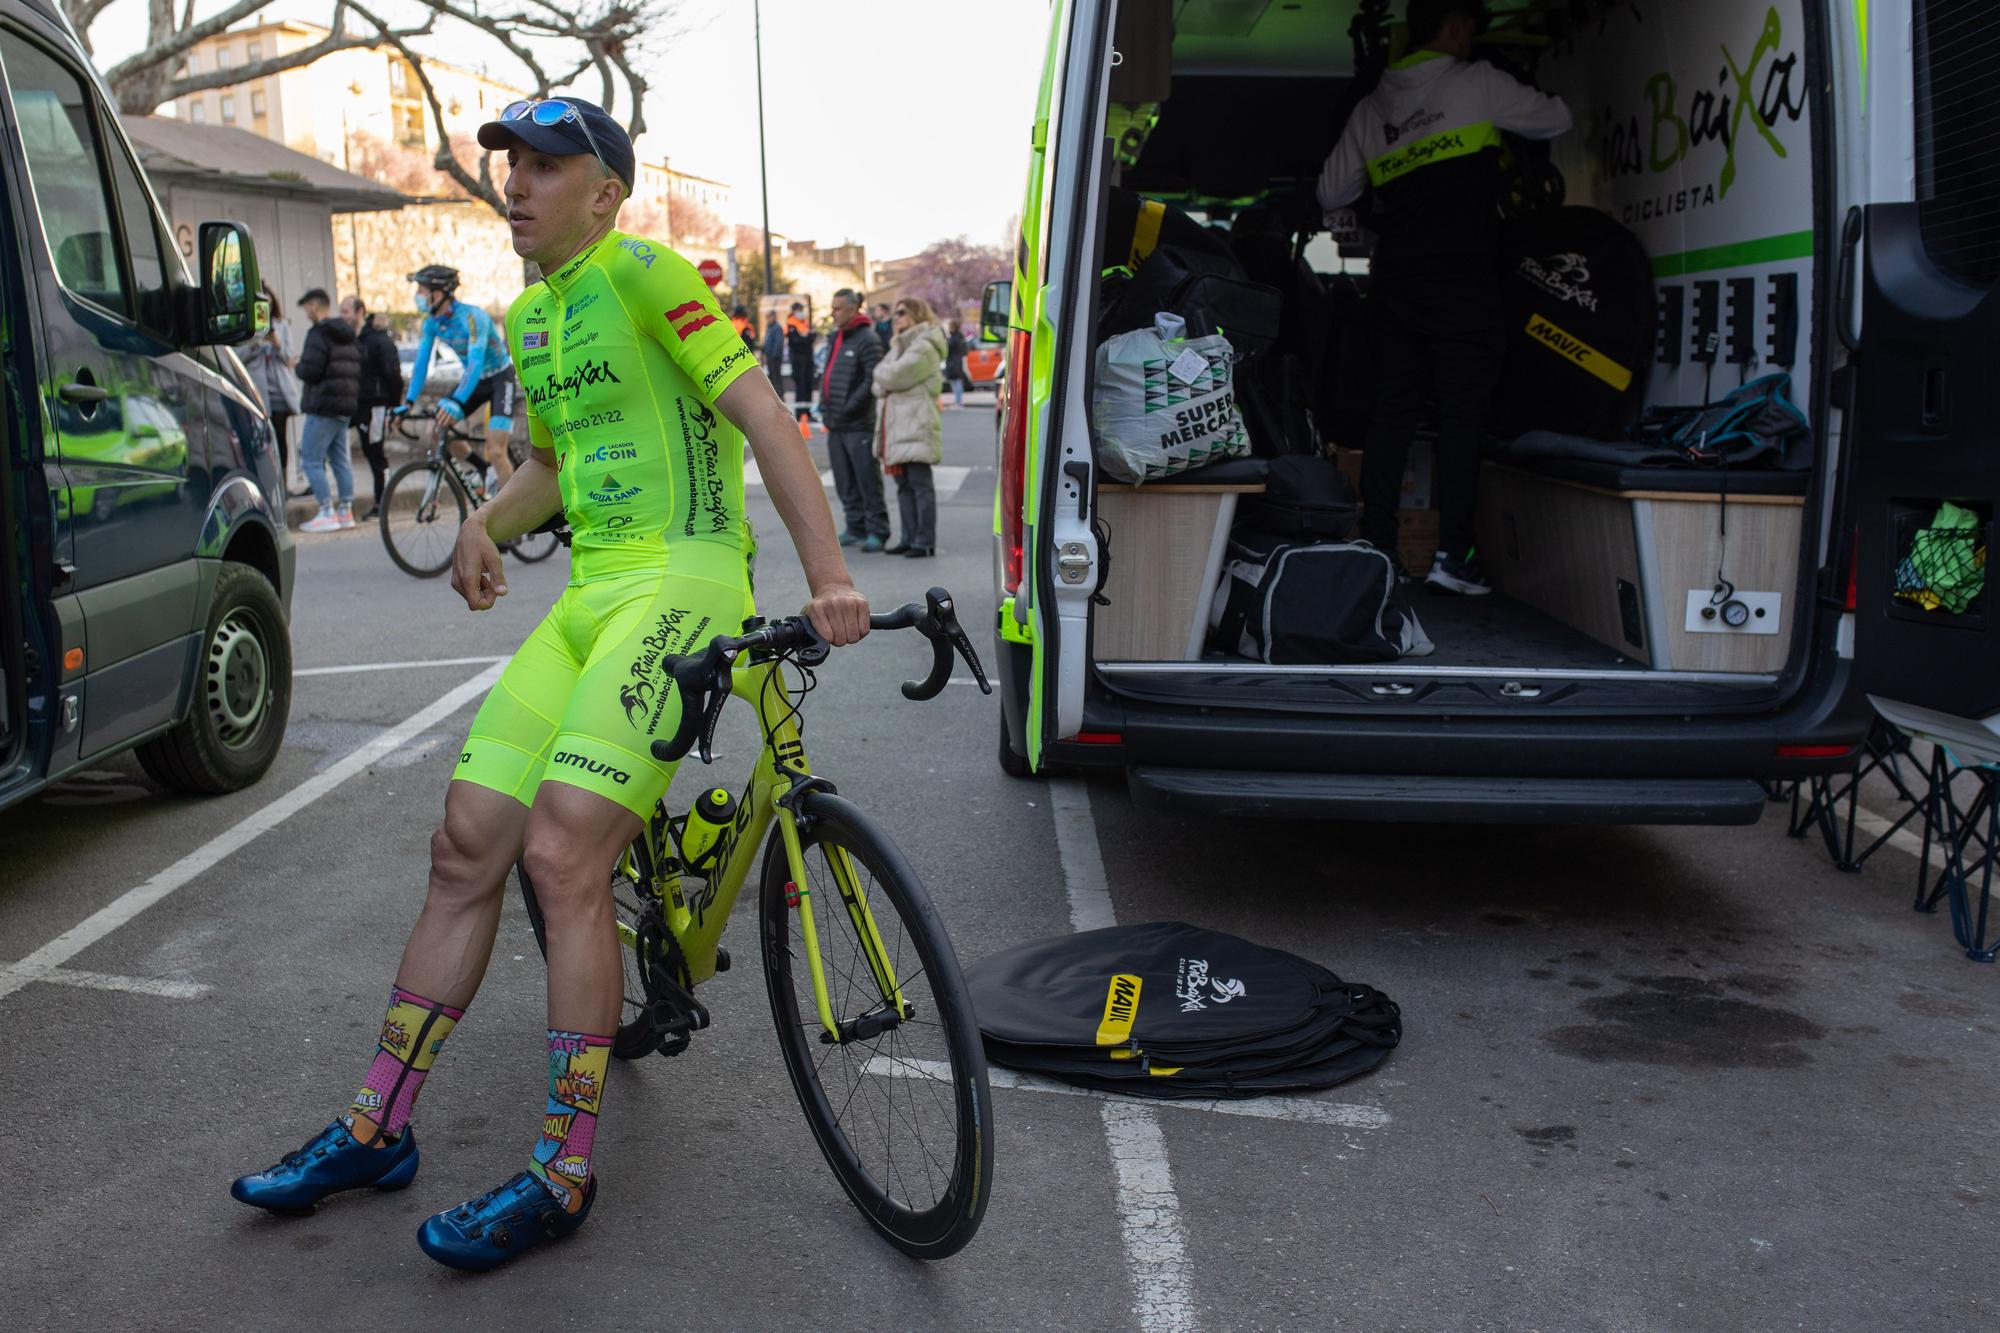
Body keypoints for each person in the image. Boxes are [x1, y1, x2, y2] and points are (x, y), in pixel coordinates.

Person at [228, 94, 870, 1274]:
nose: (516, 182)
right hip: (589, 600)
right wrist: (484, 519)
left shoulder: (645, 276)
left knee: (564, 852)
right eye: (510, 163)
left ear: (604, 192)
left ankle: (563, 1169)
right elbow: (551, 466)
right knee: (465, 841)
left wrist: (826, 573)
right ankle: (376, 1125)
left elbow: (767, 418)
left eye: (545, 164)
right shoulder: (530, 319)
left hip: (683, 579)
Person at [1317, 0, 1569, 595]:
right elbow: (1556, 119)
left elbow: (1332, 192)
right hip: (1465, 280)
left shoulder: (1374, 106)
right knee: (1462, 419)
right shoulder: (1477, 82)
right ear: (1455, 26)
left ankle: (1378, 547)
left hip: (1397, 281)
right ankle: (1454, 556)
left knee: (1391, 415)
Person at [400, 264, 518, 492]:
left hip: (499, 379)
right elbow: (421, 364)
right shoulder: (432, 323)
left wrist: (456, 400)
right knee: (436, 429)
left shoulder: (474, 317)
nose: (417, 297)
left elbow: (475, 363)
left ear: (438, 292)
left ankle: (517, 518)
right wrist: (408, 402)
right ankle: (481, 468)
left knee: (496, 449)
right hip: (476, 382)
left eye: (421, 290)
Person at [873, 296, 946, 558]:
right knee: (904, 485)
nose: (897, 318)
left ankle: (924, 541)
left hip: (916, 424)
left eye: (901, 312)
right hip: (900, 426)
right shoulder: (900, 345)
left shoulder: (924, 345)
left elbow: (892, 376)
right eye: (894, 313)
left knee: (920, 484)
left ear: (916, 314)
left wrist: (885, 378)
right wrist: (885, 379)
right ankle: (908, 537)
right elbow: (880, 380)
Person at [819, 287, 889, 551]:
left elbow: (871, 379)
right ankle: (855, 526)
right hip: (836, 423)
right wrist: (824, 406)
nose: (833, 313)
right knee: (844, 479)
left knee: (866, 478)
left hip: (858, 423)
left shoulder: (867, 339)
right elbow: (826, 373)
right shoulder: (836, 337)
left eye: (837, 308)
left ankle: (877, 531)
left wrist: (849, 407)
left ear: (853, 309)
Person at [293, 288, 362, 532]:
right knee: (341, 460)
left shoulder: (318, 334)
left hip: (323, 406)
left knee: (311, 458)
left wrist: (298, 365)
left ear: (314, 305)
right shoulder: (347, 334)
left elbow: (310, 371)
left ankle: (326, 511)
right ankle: (346, 511)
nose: (306, 313)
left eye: (306, 308)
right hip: (344, 408)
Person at [342, 295, 405, 521]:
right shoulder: (356, 339)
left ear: (360, 311)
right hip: (360, 406)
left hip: (376, 406)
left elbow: (393, 376)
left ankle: (383, 503)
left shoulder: (378, 340)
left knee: (376, 454)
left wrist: (395, 405)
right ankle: (380, 502)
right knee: (370, 453)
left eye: (346, 311)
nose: (343, 316)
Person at [241, 282, 301, 492]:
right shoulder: (247, 327)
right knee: (263, 441)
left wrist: (277, 344)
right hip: (258, 392)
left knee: (281, 439)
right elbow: (239, 359)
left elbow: (289, 358)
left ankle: (284, 485)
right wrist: (256, 344)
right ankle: (267, 485)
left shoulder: (281, 325)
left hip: (280, 391)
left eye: (268, 297)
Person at [784, 301, 815, 407]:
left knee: (809, 384)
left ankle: (808, 413)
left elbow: (812, 336)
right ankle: (801, 413)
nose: (801, 312)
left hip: (808, 357)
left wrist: (805, 338)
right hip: (798, 359)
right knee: (800, 386)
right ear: (793, 311)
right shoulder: (791, 324)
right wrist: (807, 338)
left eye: (802, 310)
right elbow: (796, 341)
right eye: (799, 310)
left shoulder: (805, 322)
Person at [942, 322, 969, 410]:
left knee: (956, 383)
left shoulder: (954, 338)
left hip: (953, 363)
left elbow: (947, 349)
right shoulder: (960, 337)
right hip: (958, 362)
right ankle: (958, 401)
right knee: (957, 382)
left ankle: (959, 402)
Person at [761, 310, 786, 391]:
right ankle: (776, 393)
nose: (768, 319)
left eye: (769, 317)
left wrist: (774, 356)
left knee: (776, 376)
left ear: (773, 316)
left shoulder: (777, 327)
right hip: (769, 356)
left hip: (775, 357)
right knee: (772, 376)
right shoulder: (769, 327)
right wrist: (764, 353)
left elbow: (778, 343)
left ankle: (780, 394)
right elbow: (766, 341)